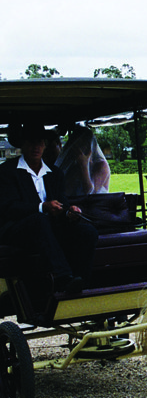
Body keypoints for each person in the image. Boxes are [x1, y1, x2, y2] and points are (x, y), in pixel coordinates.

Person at [0, 121, 98, 294]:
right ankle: (63, 278)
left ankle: (83, 283)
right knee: (39, 220)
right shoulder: (7, 171)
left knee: (87, 232)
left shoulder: (55, 173)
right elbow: (8, 207)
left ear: (45, 145)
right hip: (16, 230)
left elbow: (62, 203)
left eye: (40, 142)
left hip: (48, 228)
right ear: (23, 145)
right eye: (31, 142)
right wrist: (42, 207)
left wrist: (69, 213)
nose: (35, 147)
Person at [55, 125, 110, 197]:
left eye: (83, 144)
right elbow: (65, 192)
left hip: (95, 205)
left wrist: (84, 166)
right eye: (76, 145)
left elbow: (89, 193)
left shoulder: (101, 165)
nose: (80, 149)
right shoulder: (73, 166)